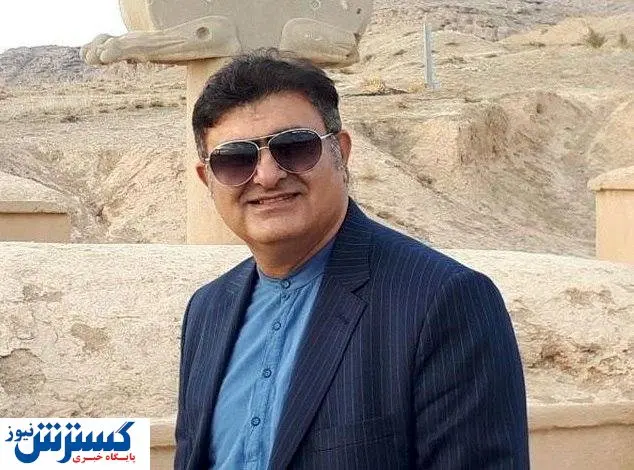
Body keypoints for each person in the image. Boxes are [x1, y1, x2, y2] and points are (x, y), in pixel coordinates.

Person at [175, 49, 529, 470]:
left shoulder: (441, 301)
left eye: (294, 147)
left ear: (340, 152)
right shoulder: (207, 310)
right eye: (235, 159)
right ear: (207, 179)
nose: (267, 176)